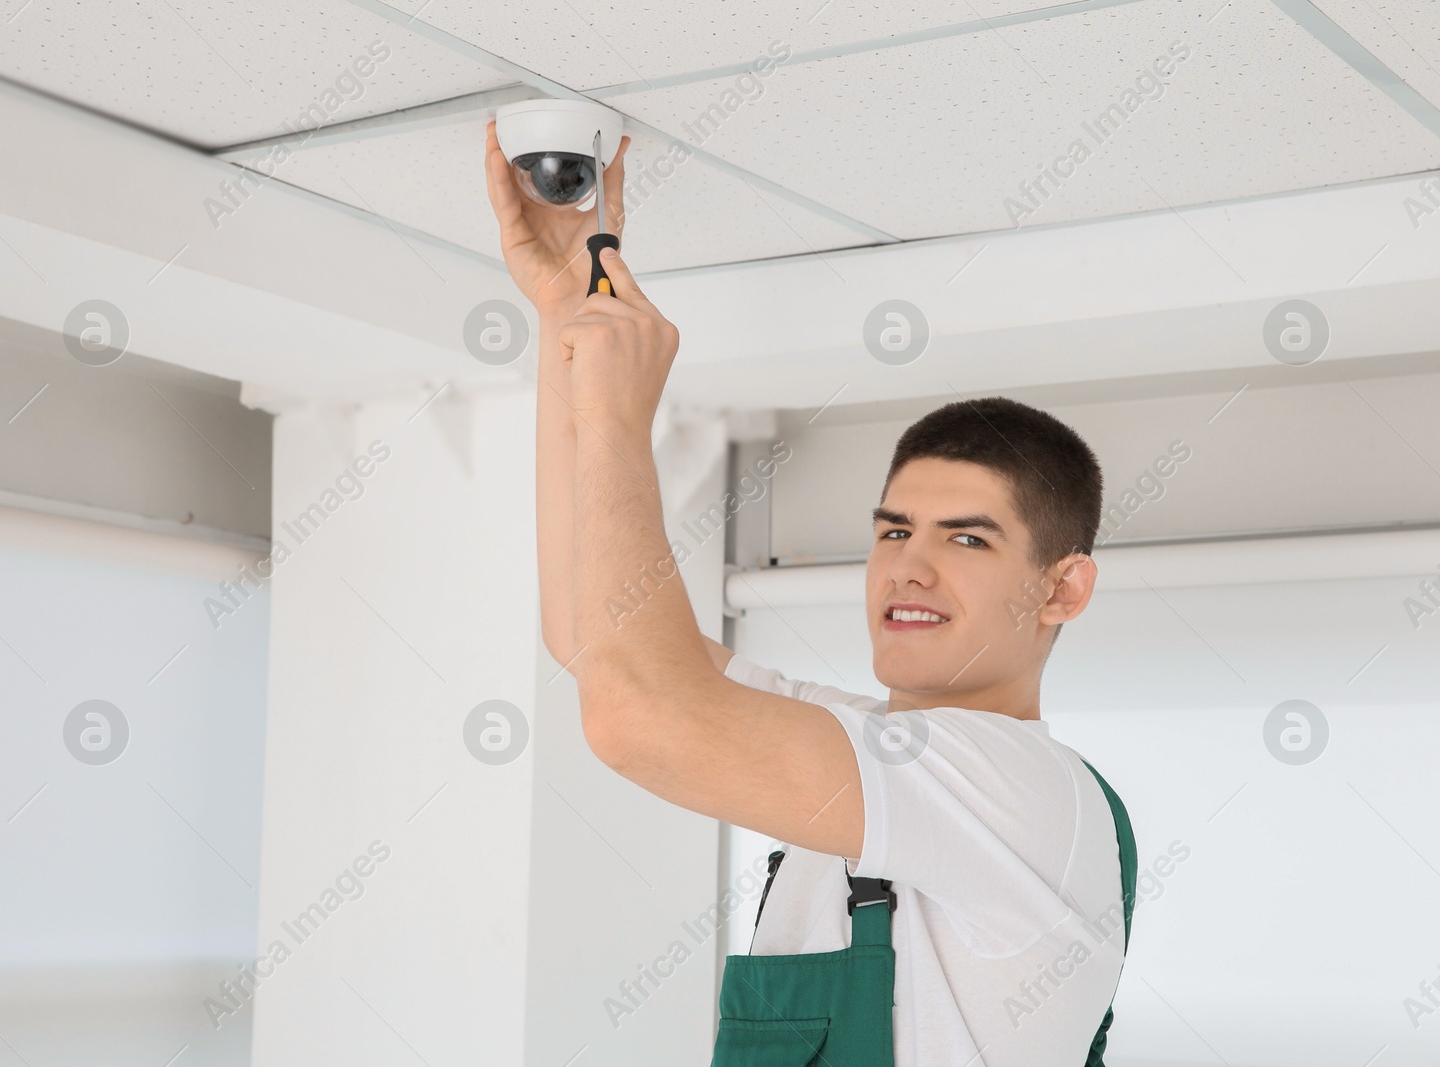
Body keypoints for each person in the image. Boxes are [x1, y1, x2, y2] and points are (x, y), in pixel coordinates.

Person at [484, 121, 1137, 1066]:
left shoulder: (1020, 789)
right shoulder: (878, 748)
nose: (909, 565)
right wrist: (561, 325)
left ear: (1063, 588)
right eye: (893, 530)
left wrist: (620, 416)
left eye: (966, 537)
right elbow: (593, 637)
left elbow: (637, 716)